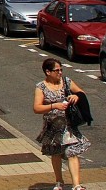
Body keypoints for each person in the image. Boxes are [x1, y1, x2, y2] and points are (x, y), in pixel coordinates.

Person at [35, 59, 90, 190]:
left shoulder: (66, 81)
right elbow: (37, 108)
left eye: (61, 70)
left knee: (72, 152)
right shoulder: (40, 87)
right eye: (57, 70)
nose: (60, 72)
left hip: (68, 126)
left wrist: (76, 97)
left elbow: (81, 93)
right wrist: (54, 106)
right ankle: (59, 181)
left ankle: (76, 185)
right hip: (52, 126)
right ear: (48, 72)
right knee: (56, 153)